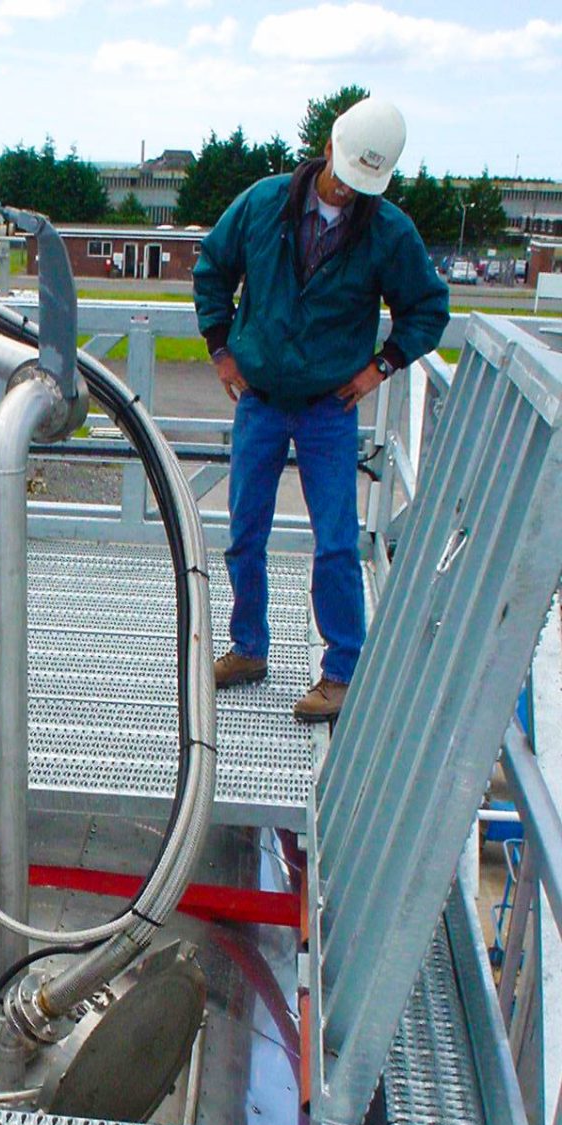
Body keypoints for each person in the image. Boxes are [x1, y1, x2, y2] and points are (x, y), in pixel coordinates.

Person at [193, 97, 450, 721]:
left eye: (365, 185)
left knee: (336, 541)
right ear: (327, 148)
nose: (348, 191)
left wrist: (379, 367)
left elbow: (428, 308)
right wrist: (222, 347)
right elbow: (211, 270)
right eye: (343, 174)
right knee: (243, 532)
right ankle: (248, 648)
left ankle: (341, 672)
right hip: (259, 399)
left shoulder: (387, 231)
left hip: (328, 411)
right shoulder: (263, 204)